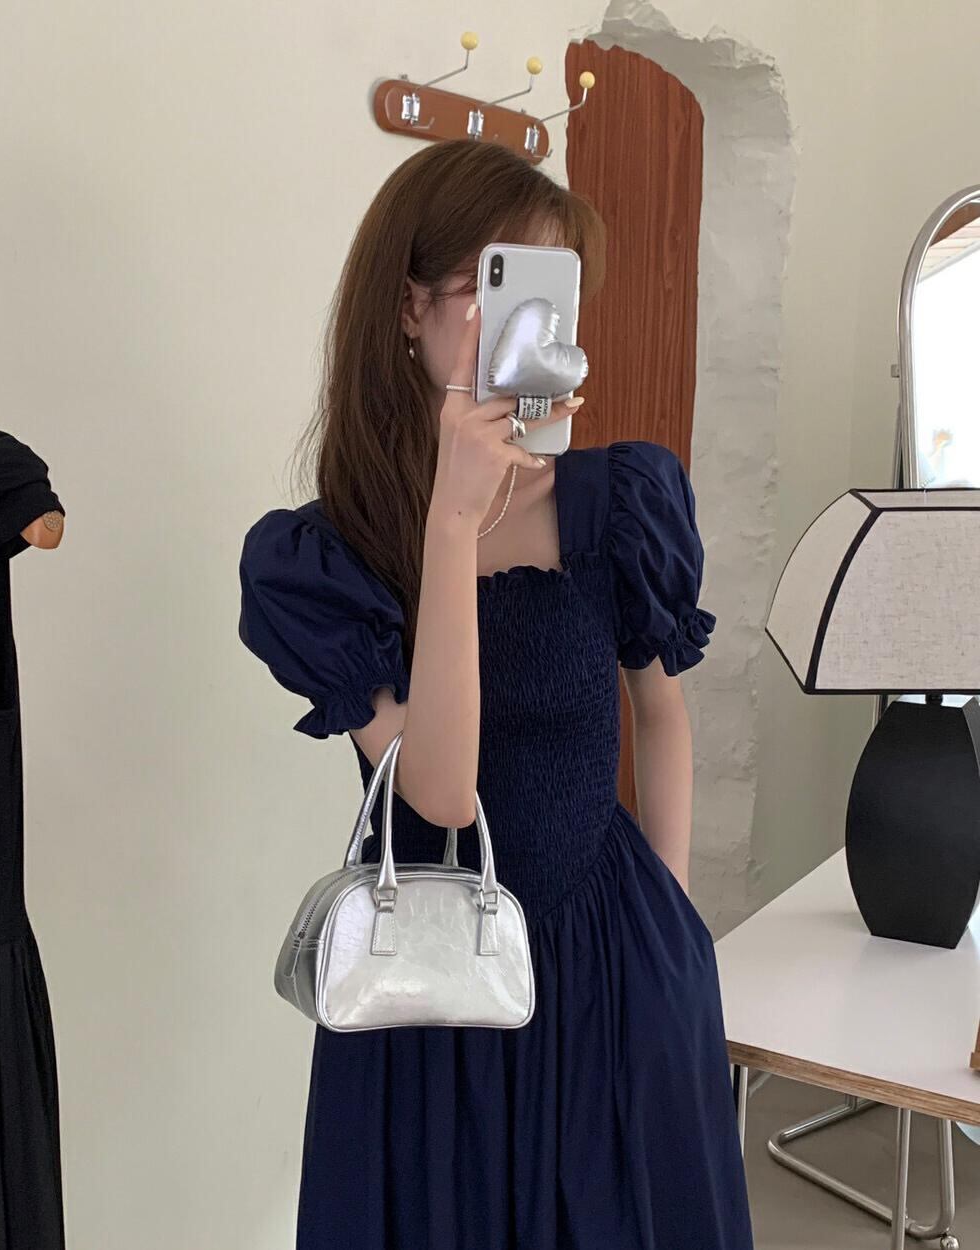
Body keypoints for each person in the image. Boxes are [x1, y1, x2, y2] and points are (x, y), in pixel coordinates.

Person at [238, 138, 754, 1250]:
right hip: (432, 994)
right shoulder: (325, 558)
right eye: (492, 284)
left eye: (549, 288)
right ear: (408, 308)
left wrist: (674, 935)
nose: (528, 323)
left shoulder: (620, 501)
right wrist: (452, 523)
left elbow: (659, 712)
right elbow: (440, 792)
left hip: (617, 961)